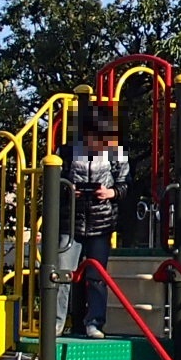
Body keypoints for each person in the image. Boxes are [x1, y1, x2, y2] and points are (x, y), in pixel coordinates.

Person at [67, 109, 131, 339]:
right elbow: (56, 179)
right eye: (92, 138)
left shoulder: (116, 155)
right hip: (73, 222)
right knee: (65, 273)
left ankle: (94, 322)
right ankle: (59, 321)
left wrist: (111, 192)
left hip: (101, 223)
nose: (97, 143)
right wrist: (69, 190)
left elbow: (126, 186)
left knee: (96, 276)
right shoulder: (68, 153)